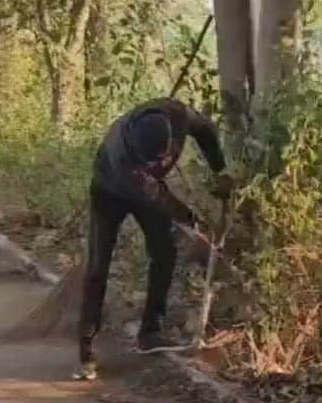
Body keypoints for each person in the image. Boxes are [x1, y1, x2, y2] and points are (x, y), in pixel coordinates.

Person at [75, 98, 235, 382]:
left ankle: (150, 331)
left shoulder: (177, 114)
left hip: (145, 187)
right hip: (108, 191)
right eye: (154, 162)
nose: (162, 163)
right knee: (99, 265)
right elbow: (156, 195)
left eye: (164, 157)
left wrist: (219, 170)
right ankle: (86, 346)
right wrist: (191, 218)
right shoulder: (125, 159)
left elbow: (207, 131)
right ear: (140, 155)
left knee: (164, 252)